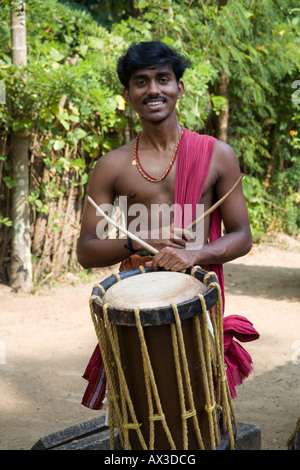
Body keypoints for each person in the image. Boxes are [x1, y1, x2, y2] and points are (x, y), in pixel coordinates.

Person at [77, 41, 259, 410]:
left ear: (179, 87)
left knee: (199, 405)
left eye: (163, 79)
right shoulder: (110, 166)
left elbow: (242, 236)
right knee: (143, 405)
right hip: (134, 303)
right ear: (128, 94)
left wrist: (194, 252)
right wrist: (137, 243)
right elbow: (86, 250)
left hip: (197, 294)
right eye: (141, 82)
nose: (153, 89)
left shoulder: (217, 155)